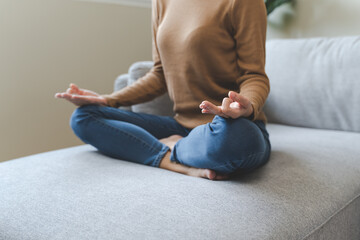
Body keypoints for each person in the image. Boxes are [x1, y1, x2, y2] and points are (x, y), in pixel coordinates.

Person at [55, 0, 271, 181]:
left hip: (228, 127)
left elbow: (254, 75)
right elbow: (160, 74)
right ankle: (170, 158)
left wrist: (246, 106)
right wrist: (108, 100)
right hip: (181, 124)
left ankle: (176, 146)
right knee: (84, 117)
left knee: (237, 141)